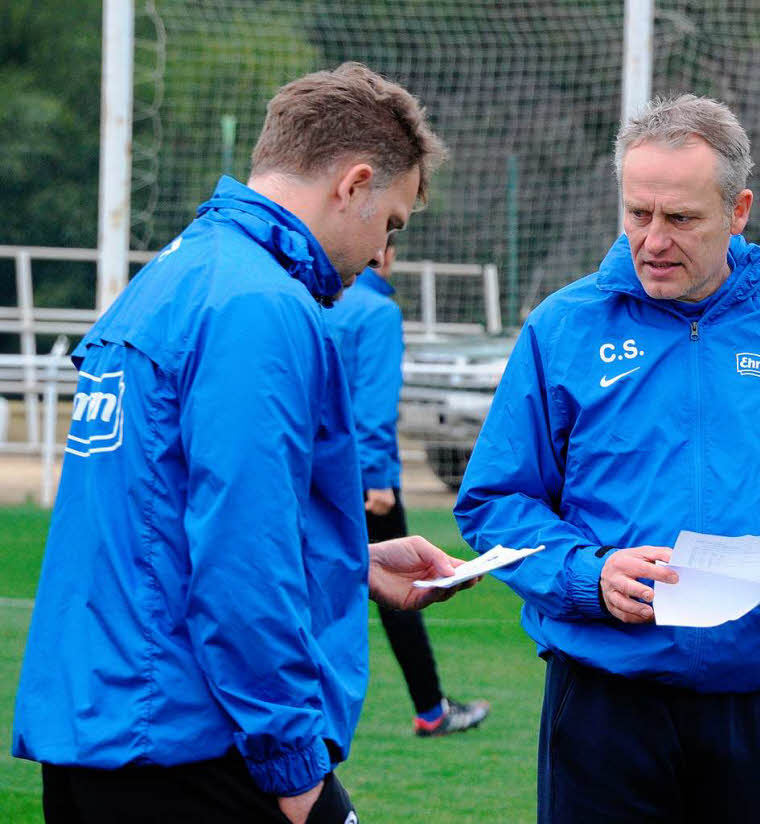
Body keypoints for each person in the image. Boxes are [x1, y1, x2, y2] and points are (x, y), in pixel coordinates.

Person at [13, 63, 471, 824]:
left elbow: (162, 515)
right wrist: (294, 769)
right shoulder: (260, 304)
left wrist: (350, 561)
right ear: (353, 184)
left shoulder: (175, 274)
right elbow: (238, 556)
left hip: (102, 724)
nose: (376, 258)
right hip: (188, 740)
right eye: (389, 224)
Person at [454, 93, 760, 823]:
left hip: (759, 700)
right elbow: (496, 501)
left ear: (739, 210)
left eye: (681, 218)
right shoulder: (563, 327)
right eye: (638, 213)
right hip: (604, 699)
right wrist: (586, 575)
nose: (653, 239)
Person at [323, 237, 490, 736]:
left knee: (326, 582)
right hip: (363, 475)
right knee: (402, 587)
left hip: (319, 475)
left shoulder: (318, 302)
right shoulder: (376, 312)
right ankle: (432, 709)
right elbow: (373, 404)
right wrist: (377, 477)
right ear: (384, 252)